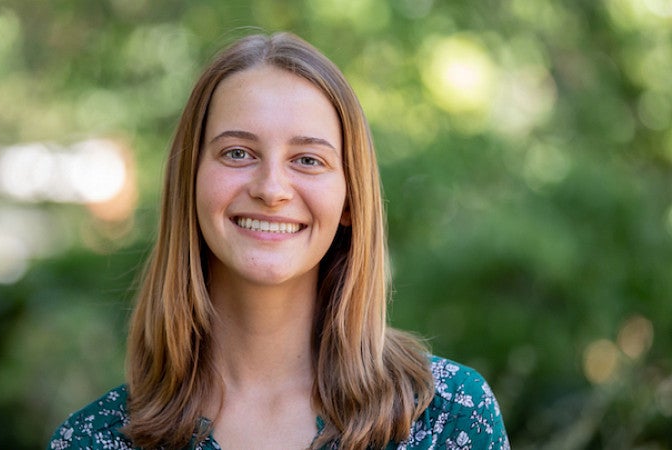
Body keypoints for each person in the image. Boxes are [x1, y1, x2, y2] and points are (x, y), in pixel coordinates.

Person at [48, 32, 509, 450]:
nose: (271, 189)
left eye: (308, 159)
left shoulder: (446, 419)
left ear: (350, 200)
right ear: (190, 183)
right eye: (237, 153)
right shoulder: (93, 440)